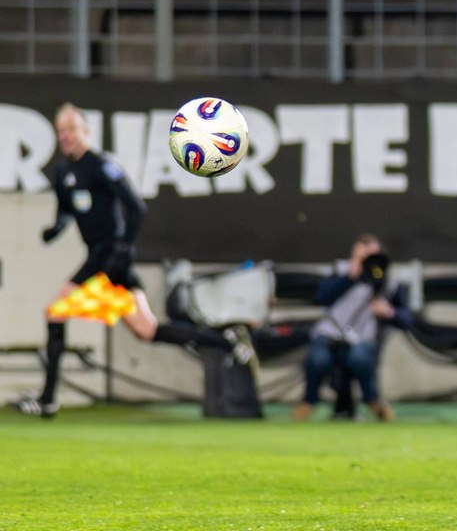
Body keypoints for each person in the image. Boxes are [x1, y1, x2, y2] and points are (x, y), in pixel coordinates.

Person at [18, 103, 253, 419]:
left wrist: (124, 247)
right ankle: (224, 340)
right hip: (104, 260)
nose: (65, 136)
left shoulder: (101, 165)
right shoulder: (64, 171)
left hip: (109, 255)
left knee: (55, 313)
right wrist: (55, 229)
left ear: (85, 131)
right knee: (148, 330)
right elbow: (65, 210)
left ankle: (48, 400)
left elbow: (136, 208)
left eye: (71, 129)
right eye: (61, 130)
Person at [292, 234, 413, 422]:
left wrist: (389, 312)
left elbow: (408, 318)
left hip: (362, 337)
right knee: (317, 359)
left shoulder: (388, 282)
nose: (367, 262)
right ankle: (308, 401)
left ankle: (373, 401)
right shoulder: (341, 272)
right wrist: (349, 277)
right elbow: (320, 297)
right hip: (331, 333)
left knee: (360, 358)